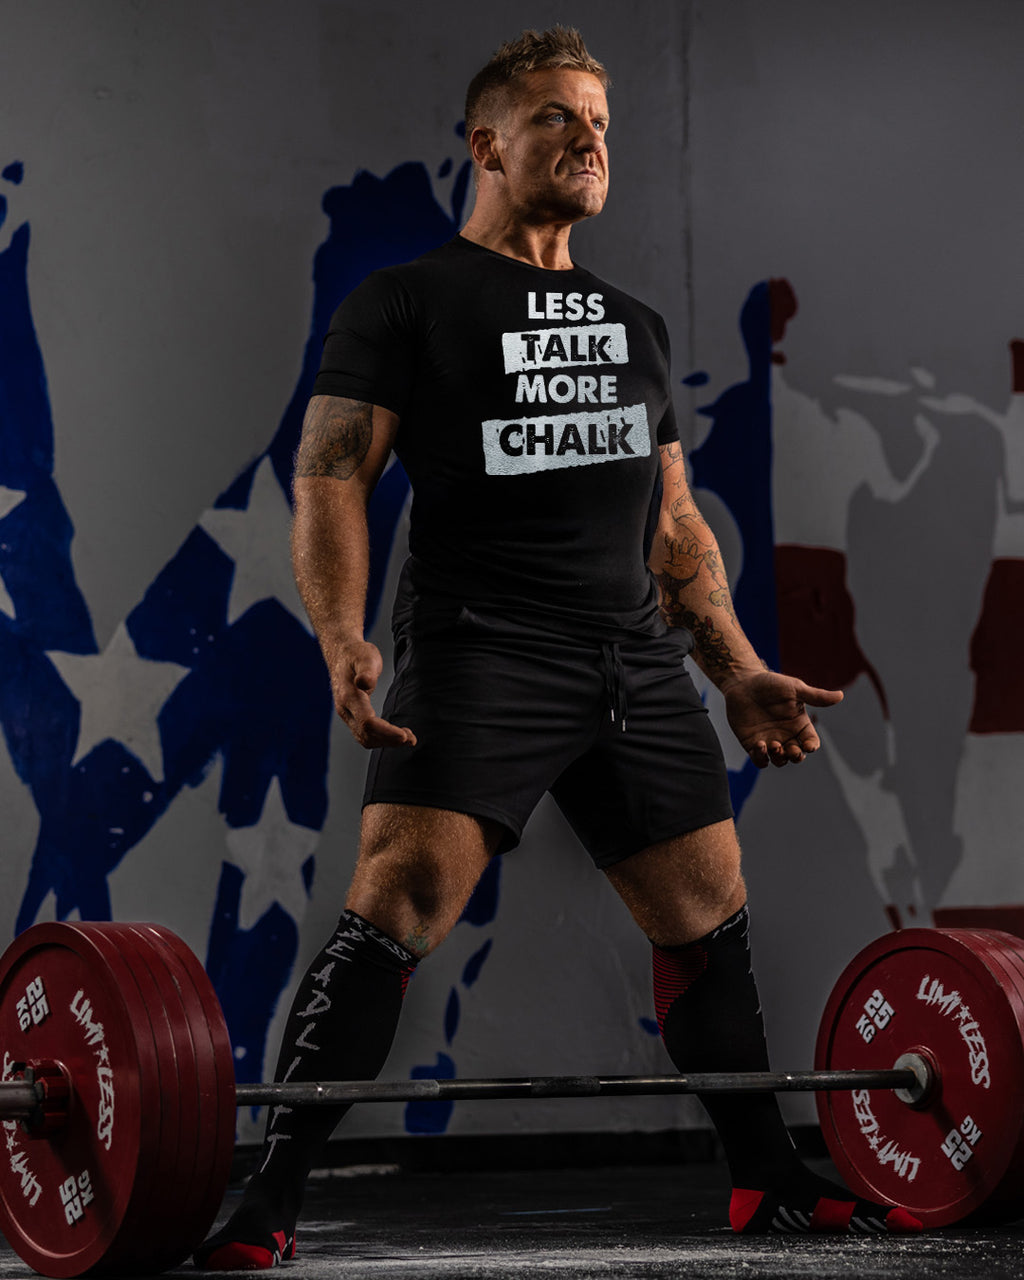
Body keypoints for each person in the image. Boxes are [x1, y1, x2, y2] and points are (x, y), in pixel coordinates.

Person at [194, 26, 921, 1270]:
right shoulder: (406, 299)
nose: (587, 137)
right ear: (485, 143)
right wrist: (338, 633)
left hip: (631, 658)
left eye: (598, 120)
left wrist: (733, 663)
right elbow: (330, 477)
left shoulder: (630, 324)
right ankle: (271, 1194)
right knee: (401, 903)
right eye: (554, 118)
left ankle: (763, 1178)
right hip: (484, 647)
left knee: (707, 907)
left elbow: (673, 522)